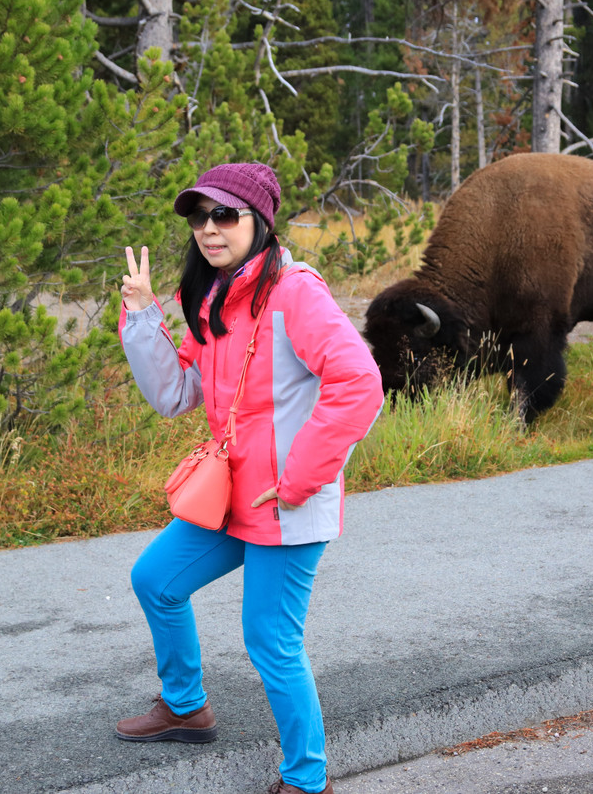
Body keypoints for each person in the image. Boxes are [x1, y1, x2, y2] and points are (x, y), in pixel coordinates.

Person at [115, 162, 383, 794]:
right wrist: (142, 316)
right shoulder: (213, 297)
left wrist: (297, 479)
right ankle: (185, 707)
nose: (210, 229)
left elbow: (359, 385)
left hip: (287, 503)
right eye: (198, 217)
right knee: (155, 579)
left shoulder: (296, 292)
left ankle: (307, 779)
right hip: (232, 496)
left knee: (270, 643)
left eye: (224, 215)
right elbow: (175, 393)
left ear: (259, 221)